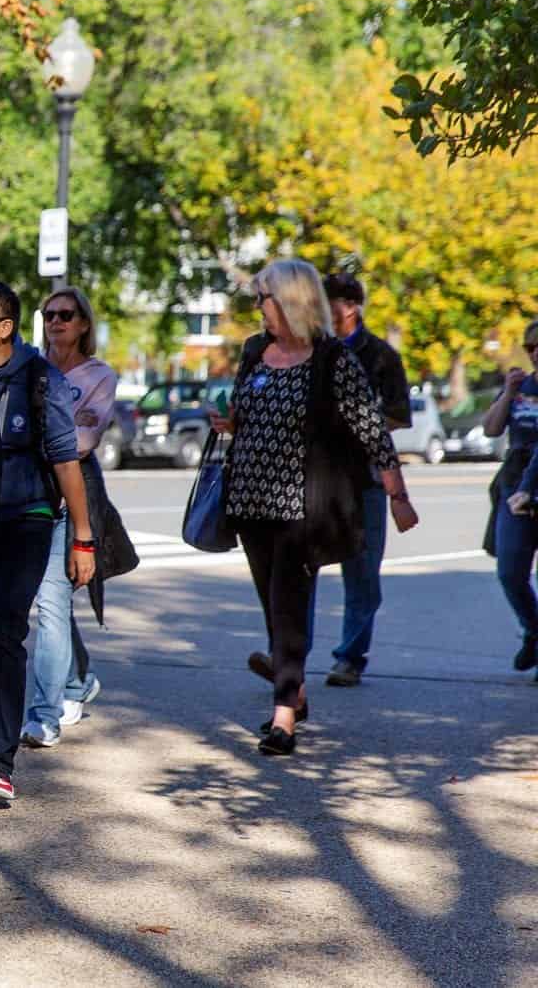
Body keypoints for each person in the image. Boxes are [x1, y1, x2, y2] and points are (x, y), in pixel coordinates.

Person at [210, 259, 418, 756]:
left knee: (289, 602)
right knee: (273, 605)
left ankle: (283, 716)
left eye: (263, 298)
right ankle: (295, 686)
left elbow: (372, 429)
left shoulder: (330, 359)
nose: (258, 308)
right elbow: (246, 414)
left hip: (305, 504)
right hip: (250, 499)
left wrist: (398, 496)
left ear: (290, 301)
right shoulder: (256, 351)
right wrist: (230, 423)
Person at [0, 281, 94, 808]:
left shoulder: (39, 378)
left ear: (5, 328)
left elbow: (64, 458)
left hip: (26, 520)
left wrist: (82, 537)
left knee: (3, 634)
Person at [297, 271, 412, 688]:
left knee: (362, 574)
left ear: (349, 306)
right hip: (314, 478)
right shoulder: (309, 350)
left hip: (364, 478)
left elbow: (399, 413)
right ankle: (291, 655)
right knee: (301, 570)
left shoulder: (380, 355)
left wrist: (357, 424)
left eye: (326, 302)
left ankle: (350, 657)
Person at [23, 286, 116, 746]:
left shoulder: (99, 375)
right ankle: (79, 682)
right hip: (22, 496)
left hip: (68, 500)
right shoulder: (29, 367)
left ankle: (45, 712)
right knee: (46, 601)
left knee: (52, 604)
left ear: (83, 324)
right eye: (48, 315)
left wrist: (29, 439)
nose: (55, 322)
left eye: (65, 315)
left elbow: (83, 441)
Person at [486, 319, 538, 676]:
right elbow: (491, 428)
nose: (536, 353)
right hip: (515, 485)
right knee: (509, 571)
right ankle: (534, 630)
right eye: (532, 347)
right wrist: (507, 392)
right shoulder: (522, 388)